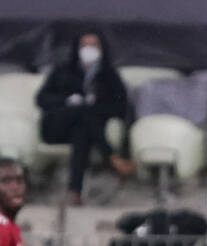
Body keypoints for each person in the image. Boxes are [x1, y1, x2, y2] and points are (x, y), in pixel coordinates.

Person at [35, 31, 136, 206]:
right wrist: (67, 101)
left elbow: (120, 107)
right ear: (77, 48)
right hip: (57, 126)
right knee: (81, 111)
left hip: (87, 130)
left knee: (81, 131)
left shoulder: (108, 76)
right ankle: (111, 156)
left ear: (102, 48)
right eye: (85, 45)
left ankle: (74, 191)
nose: (89, 49)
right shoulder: (63, 71)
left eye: (93, 45)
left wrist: (96, 106)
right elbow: (42, 99)